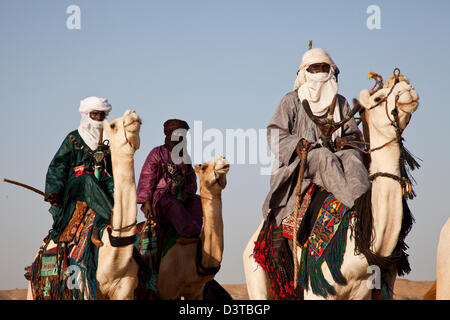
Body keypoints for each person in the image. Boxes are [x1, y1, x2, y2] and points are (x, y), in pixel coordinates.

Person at [262, 48, 371, 225]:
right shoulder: (292, 100)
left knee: (353, 157)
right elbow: (275, 132)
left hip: (338, 155)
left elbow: (353, 135)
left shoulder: (340, 102)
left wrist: (345, 142)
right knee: (323, 156)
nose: (320, 72)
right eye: (315, 68)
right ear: (306, 71)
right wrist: (298, 144)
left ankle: (365, 205)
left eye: (324, 67)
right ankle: (354, 210)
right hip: (300, 162)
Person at [45, 96, 114, 247]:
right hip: (76, 183)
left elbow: (112, 168)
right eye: (95, 114)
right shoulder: (73, 138)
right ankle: (112, 215)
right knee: (87, 180)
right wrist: (54, 191)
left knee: (115, 184)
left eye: (102, 114)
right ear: (86, 114)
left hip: (100, 181)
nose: (98, 118)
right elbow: (58, 165)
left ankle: (98, 228)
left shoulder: (108, 140)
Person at [136, 119, 203, 239]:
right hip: (161, 198)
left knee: (198, 201)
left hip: (182, 197)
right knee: (172, 204)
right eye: (177, 134)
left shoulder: (185, 157)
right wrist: (146, 202)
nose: (180, 138)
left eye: (183, 135)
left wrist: (185, 191)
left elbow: (192, 182)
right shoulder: (157, 153)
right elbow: (147, 177)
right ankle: (190, 233)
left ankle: (198, 233)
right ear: (169, 134)